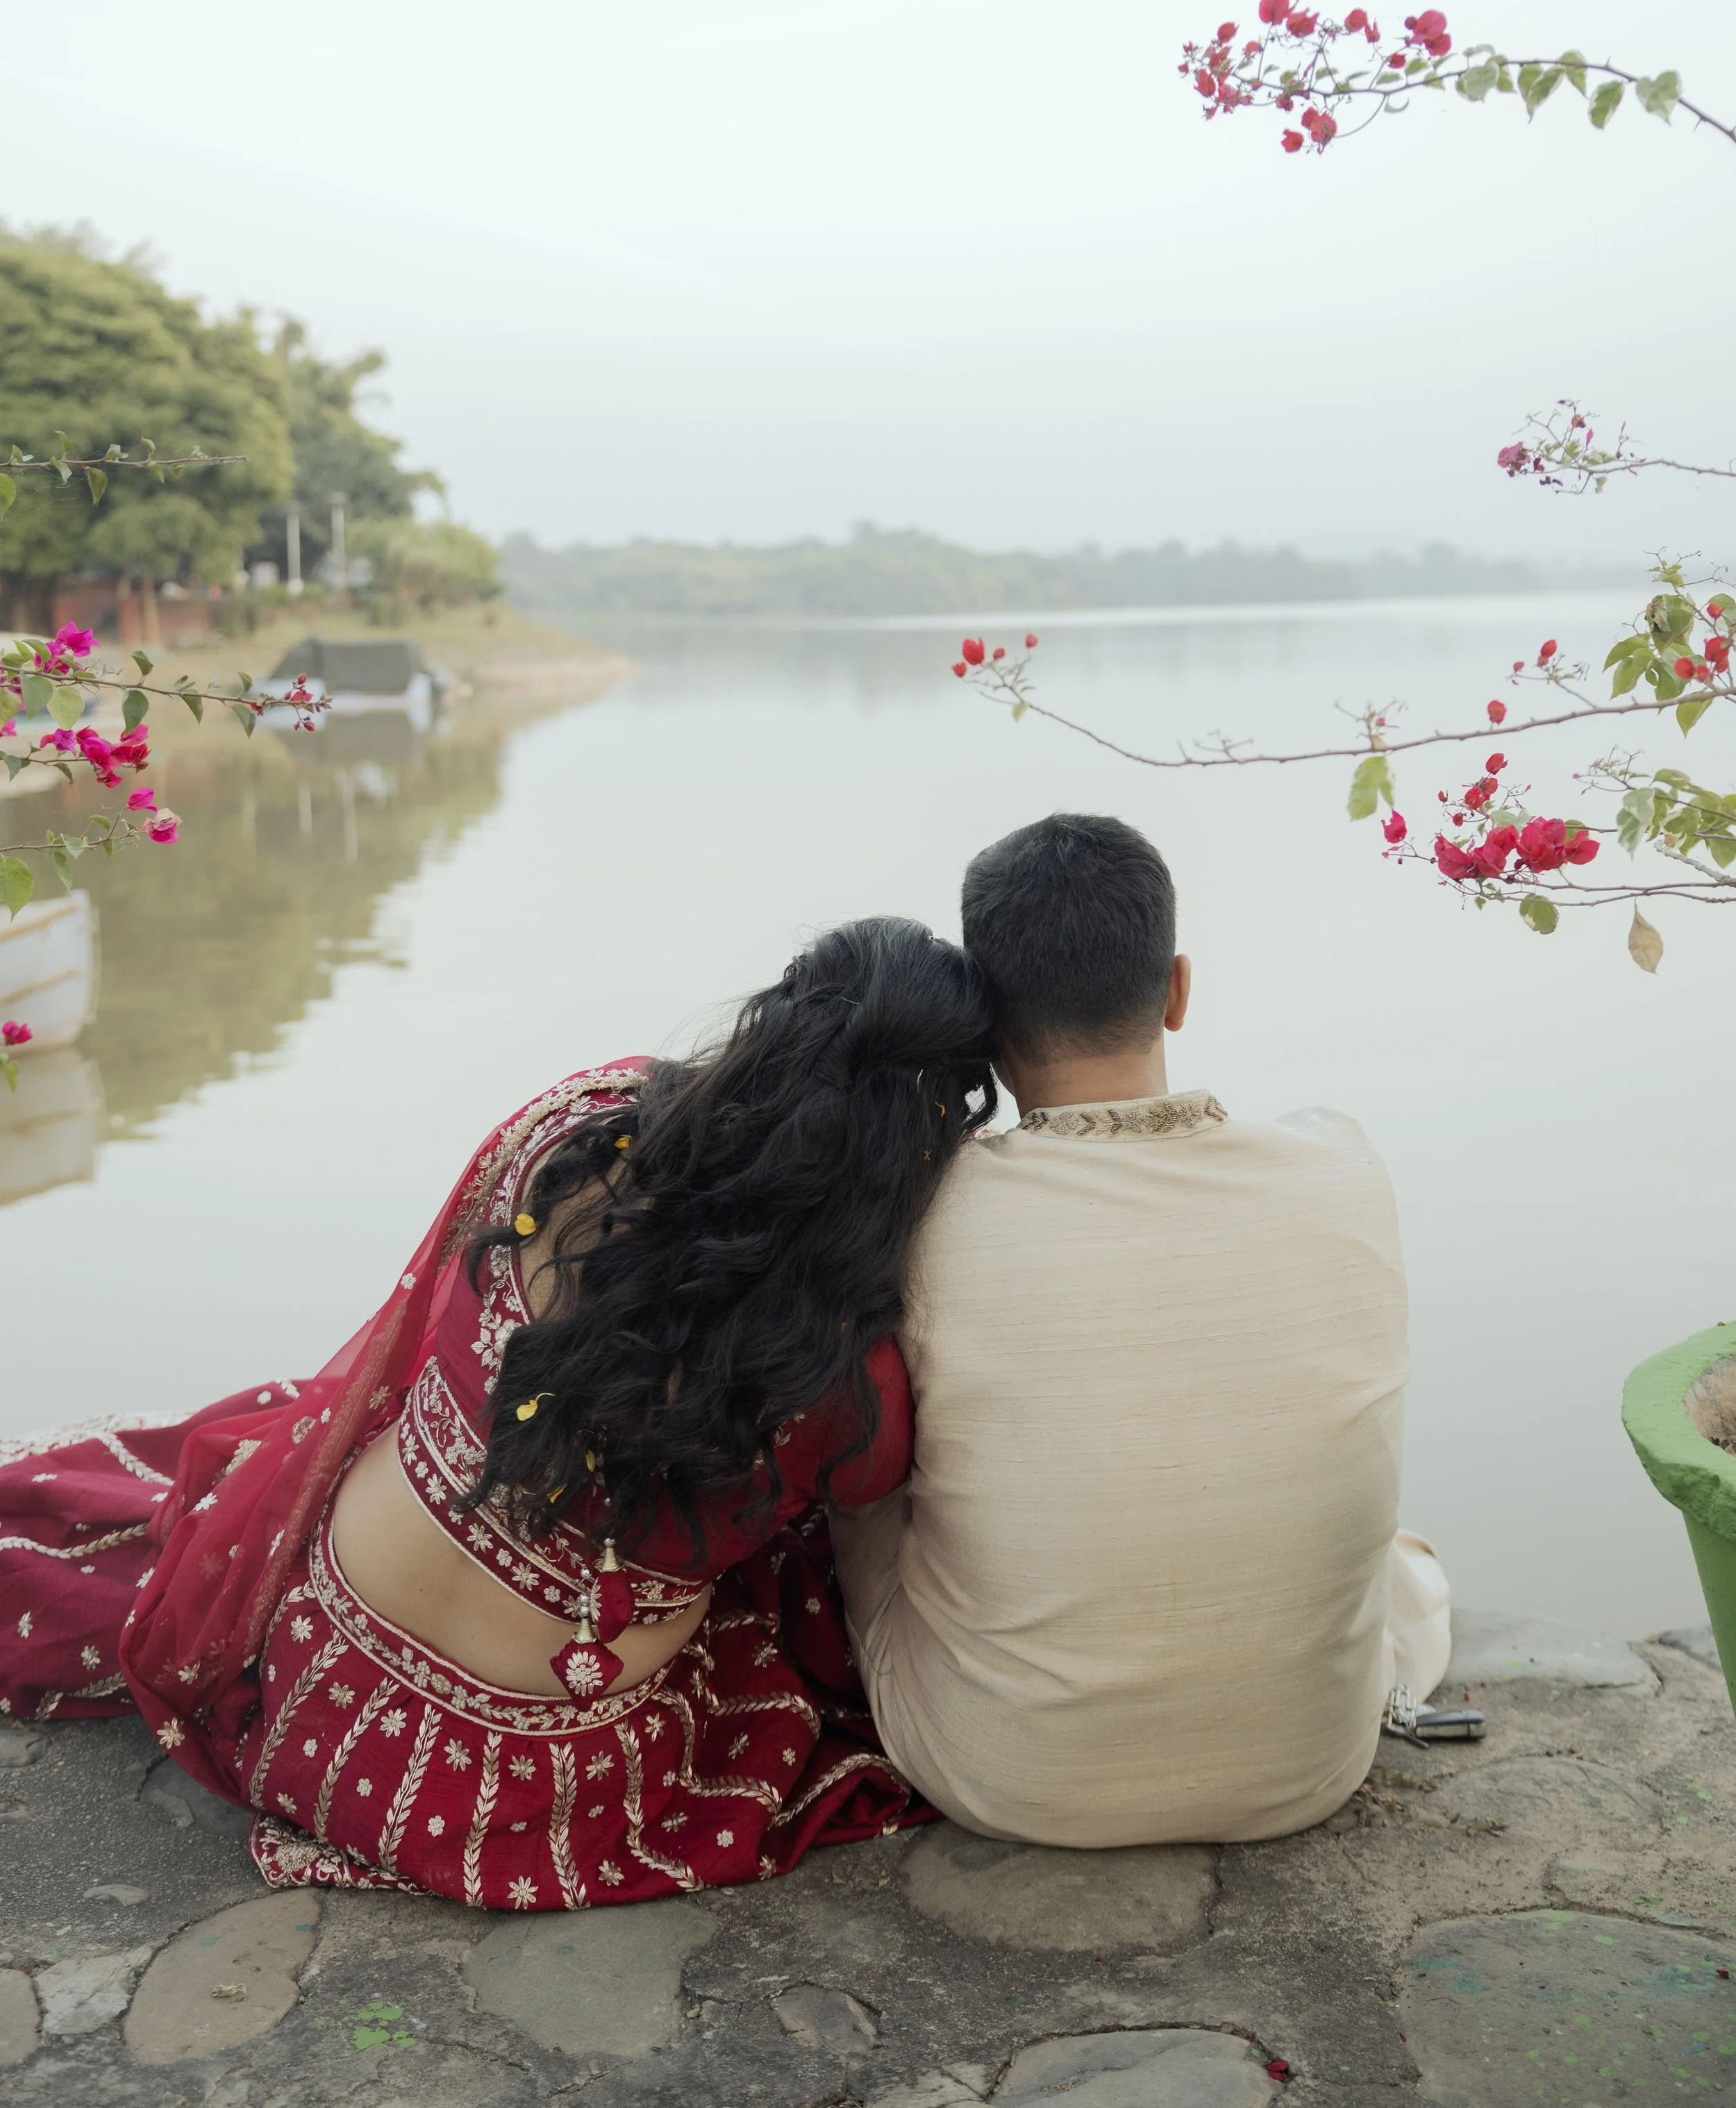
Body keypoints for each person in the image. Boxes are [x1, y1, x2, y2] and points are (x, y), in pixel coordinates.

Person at [0, 916, 996, 1907]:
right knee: (804, 1565)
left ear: (772, 1020)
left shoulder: (572, 1128)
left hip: (309, 1685)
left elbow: (408, 1343)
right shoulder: (847, 1376)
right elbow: (869, 1506)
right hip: (516, 1795)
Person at [832, 812, 1450, 1849]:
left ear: (983, 1020)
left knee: (868, 1465)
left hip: (1006, 1776)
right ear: (1176, 988)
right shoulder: (1341, 1166)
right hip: (1309, 1766)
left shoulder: (929, 1213)